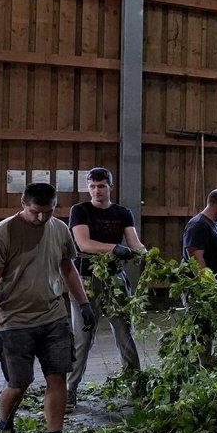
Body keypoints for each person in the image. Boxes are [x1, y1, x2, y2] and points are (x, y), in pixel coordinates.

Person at [0, 182, 94, 433]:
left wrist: (83, 303)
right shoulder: (3, 233)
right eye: (35, 212)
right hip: (15, 321)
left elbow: (68, 269)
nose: (42, 218)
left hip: (53, 317)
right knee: (19, 383)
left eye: (48, 211)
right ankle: (4, 425)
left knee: (57, 376)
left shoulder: (60, 230)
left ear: (55, 206)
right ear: (23, 204)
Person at [67, 167, 146, 406]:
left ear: (111, 187)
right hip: (87, 282)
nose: (96, 191)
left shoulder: (123, 213)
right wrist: (113, 248)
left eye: (101, 186)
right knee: (83, 337)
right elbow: (83, 243)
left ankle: (136, 385)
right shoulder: (79, 211)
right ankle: (71, 388)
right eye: (92, 186)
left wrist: (146, 255)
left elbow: (133, 242)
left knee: (125, 333)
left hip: (115, 279)